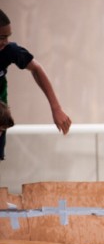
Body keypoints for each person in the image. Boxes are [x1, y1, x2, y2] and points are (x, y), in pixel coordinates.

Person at [0, 9, 71, 161]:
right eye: (2, 37)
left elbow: (36, 69)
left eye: (8, 37)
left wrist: (56, 108)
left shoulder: (9, 51)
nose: (5, 42)